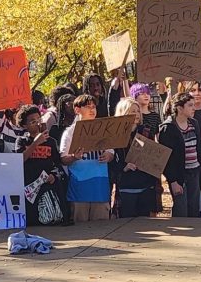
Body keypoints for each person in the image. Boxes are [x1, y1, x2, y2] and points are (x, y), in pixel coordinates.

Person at [60, 94, 114, 222]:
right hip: (79, 191)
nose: (92, 110)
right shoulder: (69, 132)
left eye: (94, 107)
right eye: (87, 107)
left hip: (100, 189)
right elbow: (63, 158)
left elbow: (111, 153)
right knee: (80, 226)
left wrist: (108, 156)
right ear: (77, 110)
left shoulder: (103, 130)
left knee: (102, 228)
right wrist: (74, 157)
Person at [158, 92, 201, 218]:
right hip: (179, 175)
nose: (194, 108)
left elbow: (200, 150)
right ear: (180, 108)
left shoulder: (194, 124)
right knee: (181, 209)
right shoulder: (168, 128)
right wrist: (173, 181)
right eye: (190, 105)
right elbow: (166, 158)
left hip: (195, 171)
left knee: (194, 208)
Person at [15, 105, 67, 226]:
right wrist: (35, 143)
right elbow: (20, 160)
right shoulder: (21, 141)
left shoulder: (51, 141)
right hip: (30, 188)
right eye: (33, 121)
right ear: (24, 125)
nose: (37, 123)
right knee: (33, 221)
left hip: (47, 186)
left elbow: (57, 164)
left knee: (50, 217)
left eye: (39, 119)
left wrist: (53, 175)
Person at [112, 98, 158, 218]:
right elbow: (112, 162)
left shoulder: (146, 132)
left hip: (145, 186)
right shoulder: (116, 135)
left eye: (138, 111)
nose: (137, 114)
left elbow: (154, 158)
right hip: (126, 187)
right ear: (124, 112)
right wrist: (124, 167)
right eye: (132, 111)